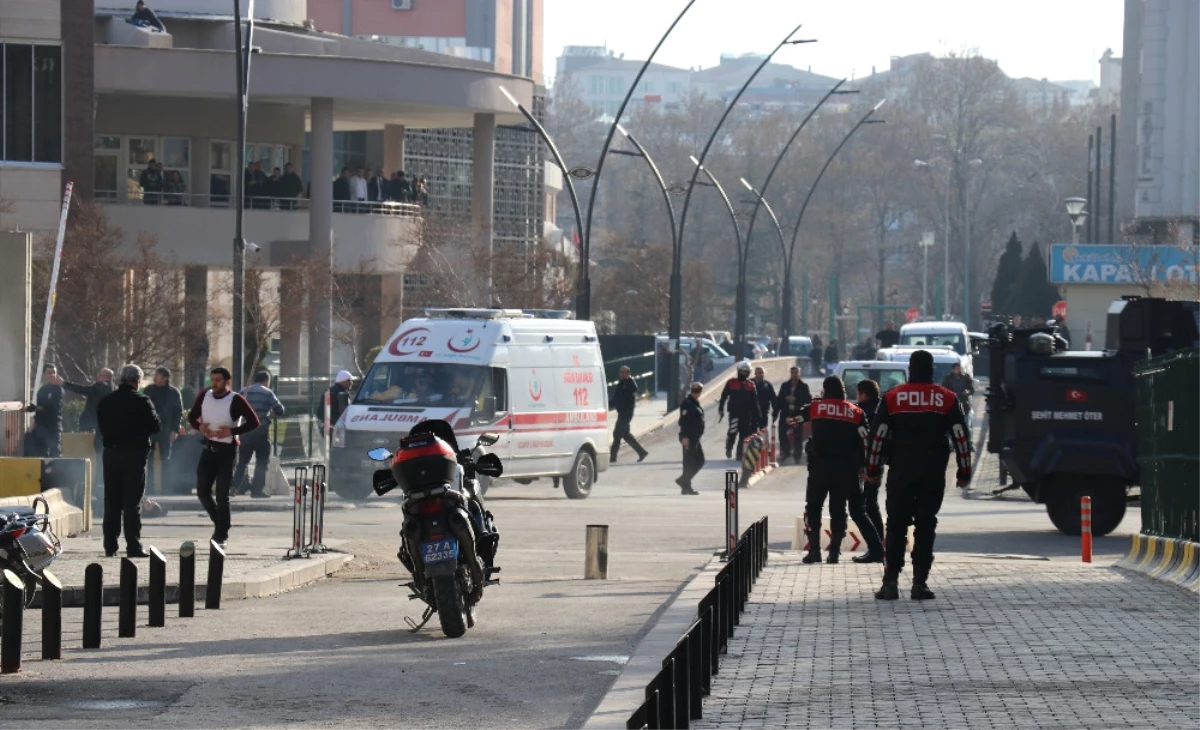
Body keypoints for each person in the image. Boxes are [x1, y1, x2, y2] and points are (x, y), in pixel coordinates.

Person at [867, 350, 972, 601]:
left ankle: (890, 582)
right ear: (932, 369)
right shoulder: (947, 398)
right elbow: (960, 435)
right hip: (933, 471)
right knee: (926, 525)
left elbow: (878, 435)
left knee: (895, 525)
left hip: (901, 470)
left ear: (910, 370)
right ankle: (919, 584)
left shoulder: (893, 397)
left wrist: (873, 469)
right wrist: (964, 471)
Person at [789, 376, 883, 565]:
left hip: (819, 467)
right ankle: (834, 553)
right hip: (846, 469)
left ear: (825, 390)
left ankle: (814, 551)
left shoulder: (816, 408)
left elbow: (795, 419)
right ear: (843, 390)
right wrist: (866, 466)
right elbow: (866, 438)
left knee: (814, 507)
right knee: (839, 509)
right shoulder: (855, 411)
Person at [187, 368, 261, 546]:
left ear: (227, 382)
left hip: (227, 451)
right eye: (212, 379)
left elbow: (254, 421)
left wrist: (232, 431)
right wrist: (200, 427)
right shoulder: (205, 395)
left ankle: (221, 534)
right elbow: (192, 416)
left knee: (222, 495)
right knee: (203, 492)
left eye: (218, 380)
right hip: (208, 449)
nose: (214, 383)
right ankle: (221, 524)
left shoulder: (235, 399)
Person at [96, 365, 161, 558]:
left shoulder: (106, 401)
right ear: (138, 381)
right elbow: (155, 425)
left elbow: (100, 424)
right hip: (134, 455)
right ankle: (133, 545)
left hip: (111, 454)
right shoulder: (142, 401)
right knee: (132, 502)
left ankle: (110, 545)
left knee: (112, 501)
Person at [233, 371, 285, 498]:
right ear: (266, 380)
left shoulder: (243, 391)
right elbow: (280, 409)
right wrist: (272, 414)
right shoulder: (267, 392)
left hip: (245, 431)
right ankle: (256, 491)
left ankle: (233, 487)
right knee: (262, 461)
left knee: (243, 461)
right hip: (261, 430)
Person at [64, 368, 115, 485]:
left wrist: (64, 384)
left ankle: (99, 483)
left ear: (106, 377)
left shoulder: (100, 387)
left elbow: (82, 390)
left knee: (100, 456)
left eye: (100, 375)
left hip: (101, 430)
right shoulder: (112, 388)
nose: (98, 376)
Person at [854, 378, 886, 561]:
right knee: (871, 504)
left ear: (864, 394)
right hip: (879, 460)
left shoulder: (862, 412)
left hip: (865, 463)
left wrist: (861, 467)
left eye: (858, 394)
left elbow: (860, 441)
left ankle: (876, 548)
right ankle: (878, 546)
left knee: (867, 506)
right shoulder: (883, 409)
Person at [144, 367, 184, 494]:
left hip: (166, 429)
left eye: (158, 375)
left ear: (166, 378)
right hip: (149, 429)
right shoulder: (149, 390)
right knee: (148, 459)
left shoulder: (173, 392)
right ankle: (149, 488)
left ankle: (166, 488)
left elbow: (178, 412)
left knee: (165, 459)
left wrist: (175, 429)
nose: (155, 377)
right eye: (155, 375)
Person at [718, 361, 760, 460]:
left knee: (744, 434)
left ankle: (739, 454)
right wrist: (721, 408)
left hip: (746, 414)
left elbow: (755, 401)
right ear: (738, 371)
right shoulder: (731, 382)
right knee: (732, 431)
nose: (744, 374)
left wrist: (758, 414)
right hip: (734, 413)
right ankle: (729, 448)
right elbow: (723, 396)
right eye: (742, 371)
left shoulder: (751, 385)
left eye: (746, 372)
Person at [609, 365, 648, 464]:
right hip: (621, 412)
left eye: (623, 372)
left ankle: (612, 457)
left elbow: (626, 396)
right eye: (620, 372)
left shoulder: (630, 384)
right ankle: (641, 452)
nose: (621, 374)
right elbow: (617, 397)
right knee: (625, 435)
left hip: (626, 414)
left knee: (617, 434)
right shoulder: (622, 383)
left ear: (628, 373)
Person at [774, 365, 812, 464]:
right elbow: (779, 400)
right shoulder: (785, 385)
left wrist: (796, 400)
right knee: (782, 433)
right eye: (793, 373)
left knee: (797, 435)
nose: (794, 375)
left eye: (796, 373)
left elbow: (808, 400)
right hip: (786, 412)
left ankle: (797, 456)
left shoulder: (804, 386)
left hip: (797, 413)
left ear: (799, 374)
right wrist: (775, 413)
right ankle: (786, 452)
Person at [27, 365, 66, 458]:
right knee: (41, 452)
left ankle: (57, 472)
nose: (52, 375)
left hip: (53, 425)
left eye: (54, 372)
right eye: (49, 372)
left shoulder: (58, 389)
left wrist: (40, 408)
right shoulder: (42, 390)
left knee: (55, 451)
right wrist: (28, 409)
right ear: (44, 374)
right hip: (41, 426)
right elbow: (37, 406)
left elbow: (54, 406)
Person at [674, 382, 704, 496]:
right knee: (691, 462)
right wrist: (685, 437)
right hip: (689, 437)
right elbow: (683, 421)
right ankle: (685, 484)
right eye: (696, 391)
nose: (697, 393)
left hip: (694, 437)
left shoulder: (694, 402)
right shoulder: (687, 403)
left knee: (697, 461)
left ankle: (684, 483)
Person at [752, 367, 776, 440]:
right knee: (752, 433)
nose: (760, 374)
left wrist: (775, 411)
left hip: (763, 413)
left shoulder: (767, 385)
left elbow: (773, 398)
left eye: (762, 372)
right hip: (752, 413)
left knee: (763, 431)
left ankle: (765, 448)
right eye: (758, 372)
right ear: (755, 374)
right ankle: (753, 449)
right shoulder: (750, 383)